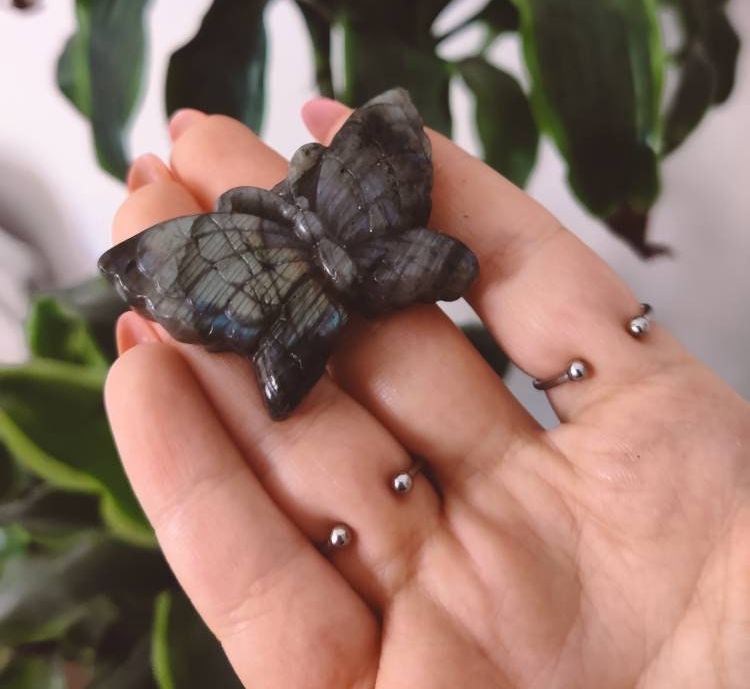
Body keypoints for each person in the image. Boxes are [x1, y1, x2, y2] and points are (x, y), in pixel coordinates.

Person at [107, 99, 750, 689]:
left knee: (328, 357)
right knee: (295, 378)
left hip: (311, 298)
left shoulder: (242, 243)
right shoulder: (339, 181)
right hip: (373, 256)